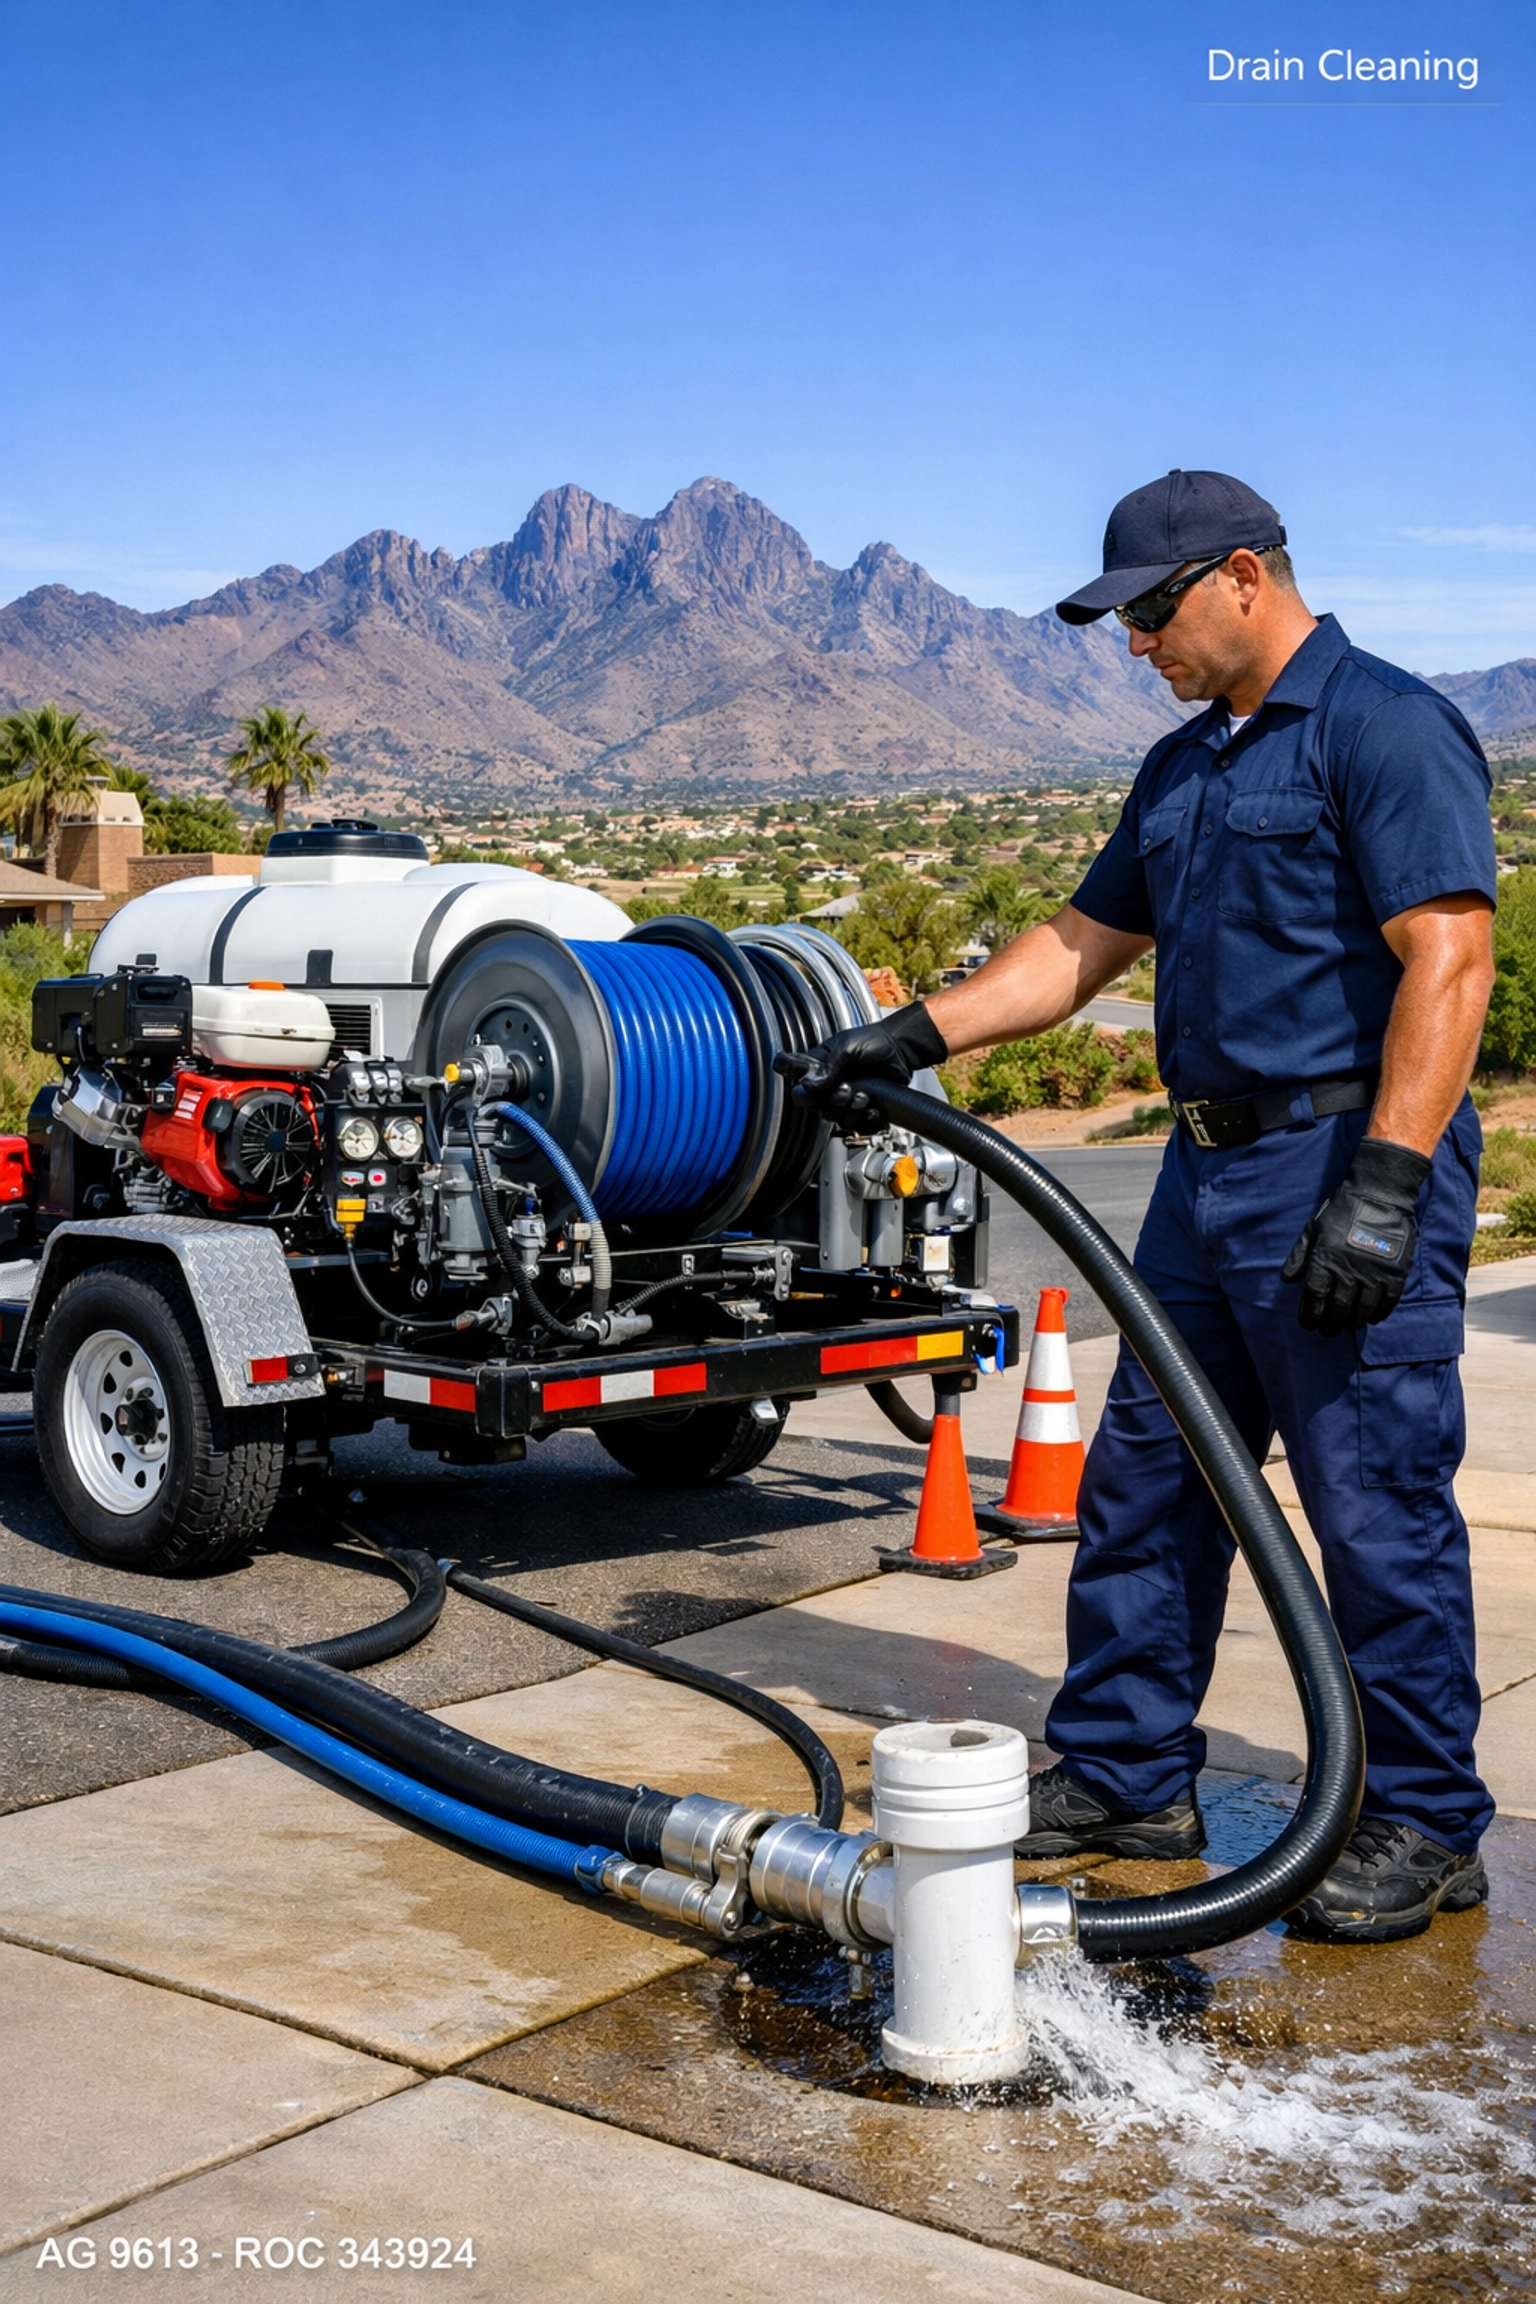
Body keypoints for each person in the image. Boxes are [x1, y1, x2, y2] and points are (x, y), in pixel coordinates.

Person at [796, 468, 1498, 1944]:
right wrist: (914, 1034)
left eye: (1153, 612)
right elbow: (1075, 948)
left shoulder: (1382, 727)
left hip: (1341, 1163)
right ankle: (1128, 1775)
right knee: (1149, 1481)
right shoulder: (1183, 771)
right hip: (1204, 1178)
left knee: (1373, 1511)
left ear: (1244, 575)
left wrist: (1385, 1183)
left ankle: (1426, 1818)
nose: (1137, 646)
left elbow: (1449, 960)